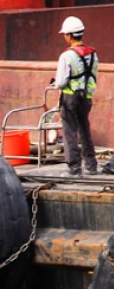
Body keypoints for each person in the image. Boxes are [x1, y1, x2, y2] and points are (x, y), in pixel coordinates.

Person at [50, 16, 98, 176]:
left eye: (65, 34)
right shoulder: (93, 54)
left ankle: (74, 169)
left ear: (70, 35)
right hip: (86, 98)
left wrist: (55, 84)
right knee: (84, 128)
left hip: (70, 98)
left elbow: (62, 82)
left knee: (70, 131)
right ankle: (91, 166)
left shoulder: (66, 56)